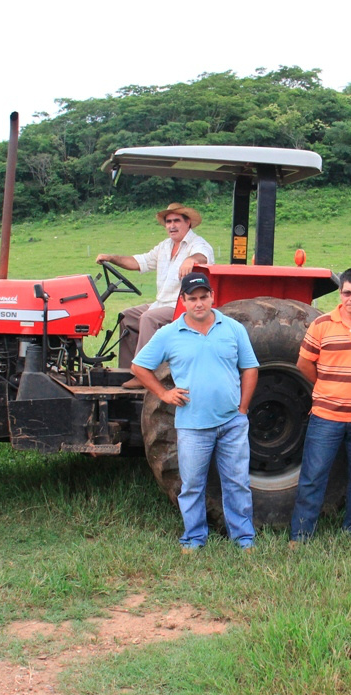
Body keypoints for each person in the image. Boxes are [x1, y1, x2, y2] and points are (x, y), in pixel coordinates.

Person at [131, 272, 259, 551]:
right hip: (192, 426)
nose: (199, 303)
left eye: (204, 297)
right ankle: (194, 537)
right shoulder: (169, 334)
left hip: (231, 422)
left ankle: (244, 537)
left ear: (212, 297)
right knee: (191, 485)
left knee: (237, 482)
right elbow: (139, 367)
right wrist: (164, 393)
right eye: (192, 299)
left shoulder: (233, 328)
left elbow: (250, 368)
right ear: (183, 301)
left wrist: (243, 409)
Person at [289, 268, 351, 543]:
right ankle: (300, 535)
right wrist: (326, 384)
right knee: (313, 476)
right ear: (340, 293)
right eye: (347, 292)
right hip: (326, 416)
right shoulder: (322, 324)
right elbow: (303, 364)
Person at [95, 203, 214, 384]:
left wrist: (191, 260)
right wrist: (111, 258)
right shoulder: (164, 247)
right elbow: (138, 262)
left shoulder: (197, 244)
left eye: (176, 221)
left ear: (188, 222)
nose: (172, 226)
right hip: (162, 303)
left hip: (181, 306)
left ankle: (144, 373)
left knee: (149, 318)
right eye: (168, 222)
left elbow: (203, 256)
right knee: (126, 316)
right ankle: (129, 370)